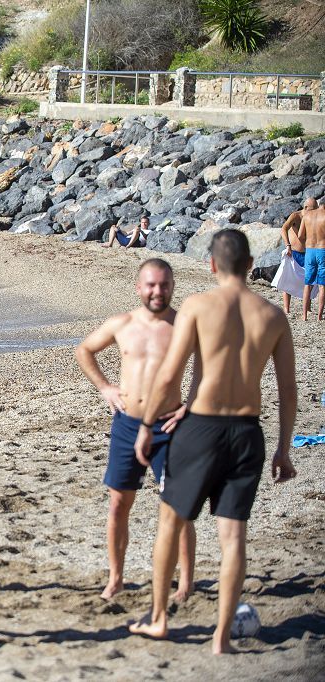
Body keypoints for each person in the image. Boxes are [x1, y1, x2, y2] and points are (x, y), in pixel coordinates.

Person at [129, 229, 297, 654]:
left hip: (202, 427)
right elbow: (288, 389)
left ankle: (160, 618)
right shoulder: (274, 315)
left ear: (211, 265)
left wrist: (147, 425)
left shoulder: (199, 306)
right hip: (247, 432)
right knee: (233, 536)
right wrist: (283, 448)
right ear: (249, 263)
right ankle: (221, 638)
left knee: (170, 521)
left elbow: (170, 372)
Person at [75, 260, 196, 602]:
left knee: (178, 507)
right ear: (138, 287)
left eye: (164, 285)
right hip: (128, 424)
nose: (157, 291)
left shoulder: (183, 326)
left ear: (173, 286)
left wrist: (192, 401)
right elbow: (84, 350)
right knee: (118, 505)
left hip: (170, 425)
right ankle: (116, 578)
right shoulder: (122, 324)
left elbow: (209, 361)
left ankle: (186, 583)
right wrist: (104, 387)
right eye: (151, 285)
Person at [278, 198, 315, 314]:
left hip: (308, 252)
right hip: (293, 252)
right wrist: (287, 245)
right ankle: (286, 308)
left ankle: (308, 307)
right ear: (305, 208)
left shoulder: (313, 218)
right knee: (288, 280)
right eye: (313, 209)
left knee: (310, 281)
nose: (315, 212)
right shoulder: (296, 216)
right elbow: (283, 228)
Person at [297, 199, 325, 321]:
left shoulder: (307, 215)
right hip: (322, 250)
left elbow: (300, 235)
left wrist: (309, 240)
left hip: (309, 251)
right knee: (322, 285)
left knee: (307, 284)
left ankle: (304, 316)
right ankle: (319, 316)